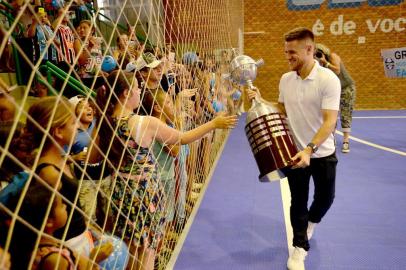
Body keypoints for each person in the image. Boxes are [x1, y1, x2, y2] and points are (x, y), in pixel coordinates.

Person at [93, 70, 237, 270]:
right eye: (136, 87)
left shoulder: (104, 122)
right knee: (147, 249)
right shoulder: (143, 123)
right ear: (126, 93)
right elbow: (183, 138)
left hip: (120, 191)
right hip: (144, 192)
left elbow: (93, 157)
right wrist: (213, 124)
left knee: (130, 247)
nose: (139, 90)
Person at [278, 27, 340, 270]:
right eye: (286, 52)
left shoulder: (328, 80)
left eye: (292, 52)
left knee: (326, 198)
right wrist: (260, 100)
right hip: (294, 152)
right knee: (298, 200)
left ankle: (312, 221)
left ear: (310, 49)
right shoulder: (285, 79)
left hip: (321, 152)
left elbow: (329, 121)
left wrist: (310, 149)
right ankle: (299, 247)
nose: (288, 57)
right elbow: (282, 110)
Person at [315, 43, 356, 153]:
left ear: (323, 52)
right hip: (334, 89)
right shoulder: (319, 64)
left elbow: (337, 70)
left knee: (345, 114)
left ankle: (346, 141)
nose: (317, 57)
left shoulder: (333, 56)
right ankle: (330, 139)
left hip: (346, 88)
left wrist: (326, 63)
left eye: (318, 54)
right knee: (329, 114)